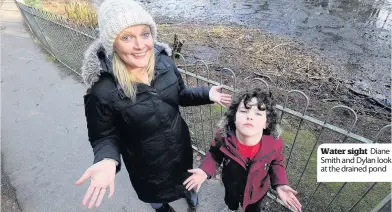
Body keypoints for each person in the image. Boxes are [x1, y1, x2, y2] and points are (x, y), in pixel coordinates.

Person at [74, 0, 232, 211]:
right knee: (154, 192)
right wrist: (106, 159)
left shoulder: (165, 62)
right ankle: (162, 207)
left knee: (186, 177)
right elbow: (104, 136)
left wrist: (207, 93)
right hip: (144, 161)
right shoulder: (102, 91)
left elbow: (181, 94)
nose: (140, 45)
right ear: (112, 43)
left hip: (179, 145)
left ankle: (189, 192)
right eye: (127, 37)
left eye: (145, 34)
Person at [183, 88, 302, 212]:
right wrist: (204, 170)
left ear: (266, 123)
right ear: (234, 117)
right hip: (231, 185)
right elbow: (214, 154)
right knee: (231, 202)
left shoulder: (273, 144)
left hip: (256, 192)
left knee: (253, 209)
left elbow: (276, 163)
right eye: (244, 111)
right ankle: (231, 209)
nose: (249, 117)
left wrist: (281, 184)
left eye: (258, 113)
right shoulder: (225, 138)